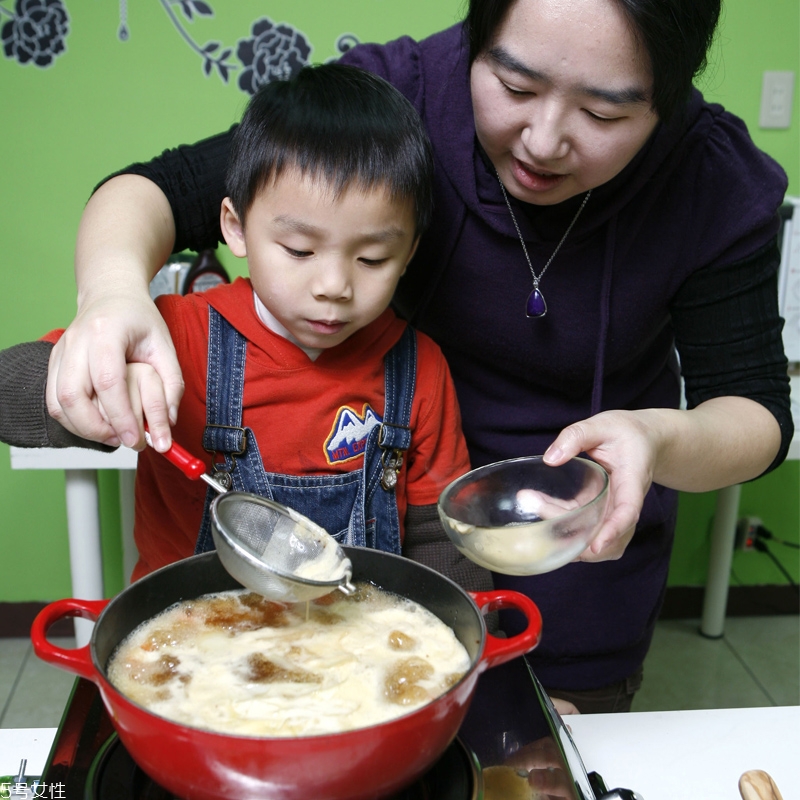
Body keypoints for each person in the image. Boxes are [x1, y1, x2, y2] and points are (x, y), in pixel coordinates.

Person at [42, 0, 793, 712]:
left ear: (670, 95)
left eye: (603, 113)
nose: (542, 140)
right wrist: (111, 298)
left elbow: (755, 412)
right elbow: (160, 190)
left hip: (572, 578)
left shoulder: (712, 179)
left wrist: (657, 438)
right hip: (338, 597)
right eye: (513, 85)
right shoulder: (398, 106)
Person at [0, 63, 492, 593]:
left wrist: (466, 640)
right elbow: (10, 391)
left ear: (410, 252)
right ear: (235, 228)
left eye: (372, 258)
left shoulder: (419, 370)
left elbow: (443, 542)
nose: (333, 285)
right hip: (190, 642)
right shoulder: (175, 338)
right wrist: (99, 384)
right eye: (300, 250)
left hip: (351, 652)